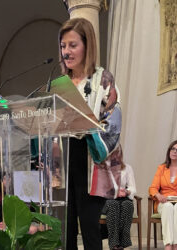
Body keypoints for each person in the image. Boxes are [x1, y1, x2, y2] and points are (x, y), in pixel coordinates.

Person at [58, 18, 123, 250]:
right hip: (63, 159)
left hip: (91, 158)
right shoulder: (59, 84)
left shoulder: (102, 79)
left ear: (88, 46)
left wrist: (89, 125)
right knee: (64, 229)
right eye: (63, 46)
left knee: (89, 228)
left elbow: (112, 119)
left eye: (73, 45)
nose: (67, 52)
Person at [105, 163, 136, 250]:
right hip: (106, 198)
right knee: (113, 205)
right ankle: (114, 245)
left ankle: (122, 244)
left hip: (122, 197)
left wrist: (126, 191)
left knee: (128, 205)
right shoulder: (103, 166)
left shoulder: (127, 167)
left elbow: (132, 187)